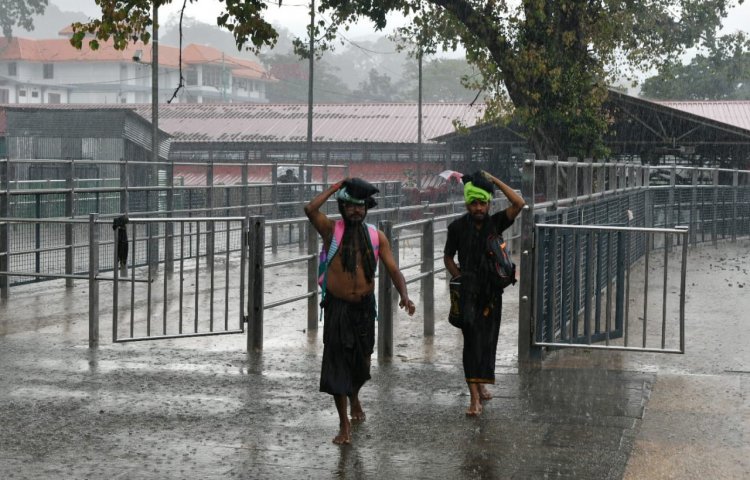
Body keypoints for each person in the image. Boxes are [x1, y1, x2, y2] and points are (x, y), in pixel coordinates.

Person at [304, 177, 416, 445]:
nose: (356, 211)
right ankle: (344, 424)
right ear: (342, 207)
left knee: (362, 363)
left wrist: (404, 294)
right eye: (351, 206)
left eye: (361, 206)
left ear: (367, 208)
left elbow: (393, 269)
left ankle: (355, 396)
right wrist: (334, 187)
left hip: (364, 309)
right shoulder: (331, 230)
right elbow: (310, 210)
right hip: (337, 308)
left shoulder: (377, 237)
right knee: (337, 367)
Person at [443, 170, 525, 416]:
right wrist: (459, 276)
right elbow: (447, 256)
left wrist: (495, 180)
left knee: (487, 342)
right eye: (473, 203)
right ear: (467, 203)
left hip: (491, 294)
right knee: (471, 343)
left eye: (482, 202)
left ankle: (481, 384)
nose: (478, 207)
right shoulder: (456, 227)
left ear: (489, 203)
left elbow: (519, 203)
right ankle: (474, 397)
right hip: (468, 293)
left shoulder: (495, 222)